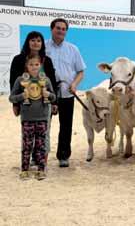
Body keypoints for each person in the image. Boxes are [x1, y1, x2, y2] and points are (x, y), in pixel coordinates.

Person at [9, 31, 57, 164]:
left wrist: (54, 102)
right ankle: (29, 159)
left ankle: (42, 161)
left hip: (44, 105)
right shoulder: (18, 59)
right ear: (28, 42)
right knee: (27, 135)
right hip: (26, 105)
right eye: (33, 40)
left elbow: (52, 81)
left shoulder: (47, 61)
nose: (36, 43)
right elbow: (13, 82)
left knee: (44, 133)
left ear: (42, 44)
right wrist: (15, 104)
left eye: (39, 41)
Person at [45, 18, 86, 168]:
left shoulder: (73, 49)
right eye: (58, 28)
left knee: (66, 126)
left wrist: (74, 84)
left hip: (67, 94)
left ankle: (63, 156)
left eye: (63, 29)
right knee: (44, 126)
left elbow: (81, 71)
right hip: (46, 94)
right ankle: (40, 156)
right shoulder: (43, 47)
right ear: (52, 29)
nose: (61, 31)